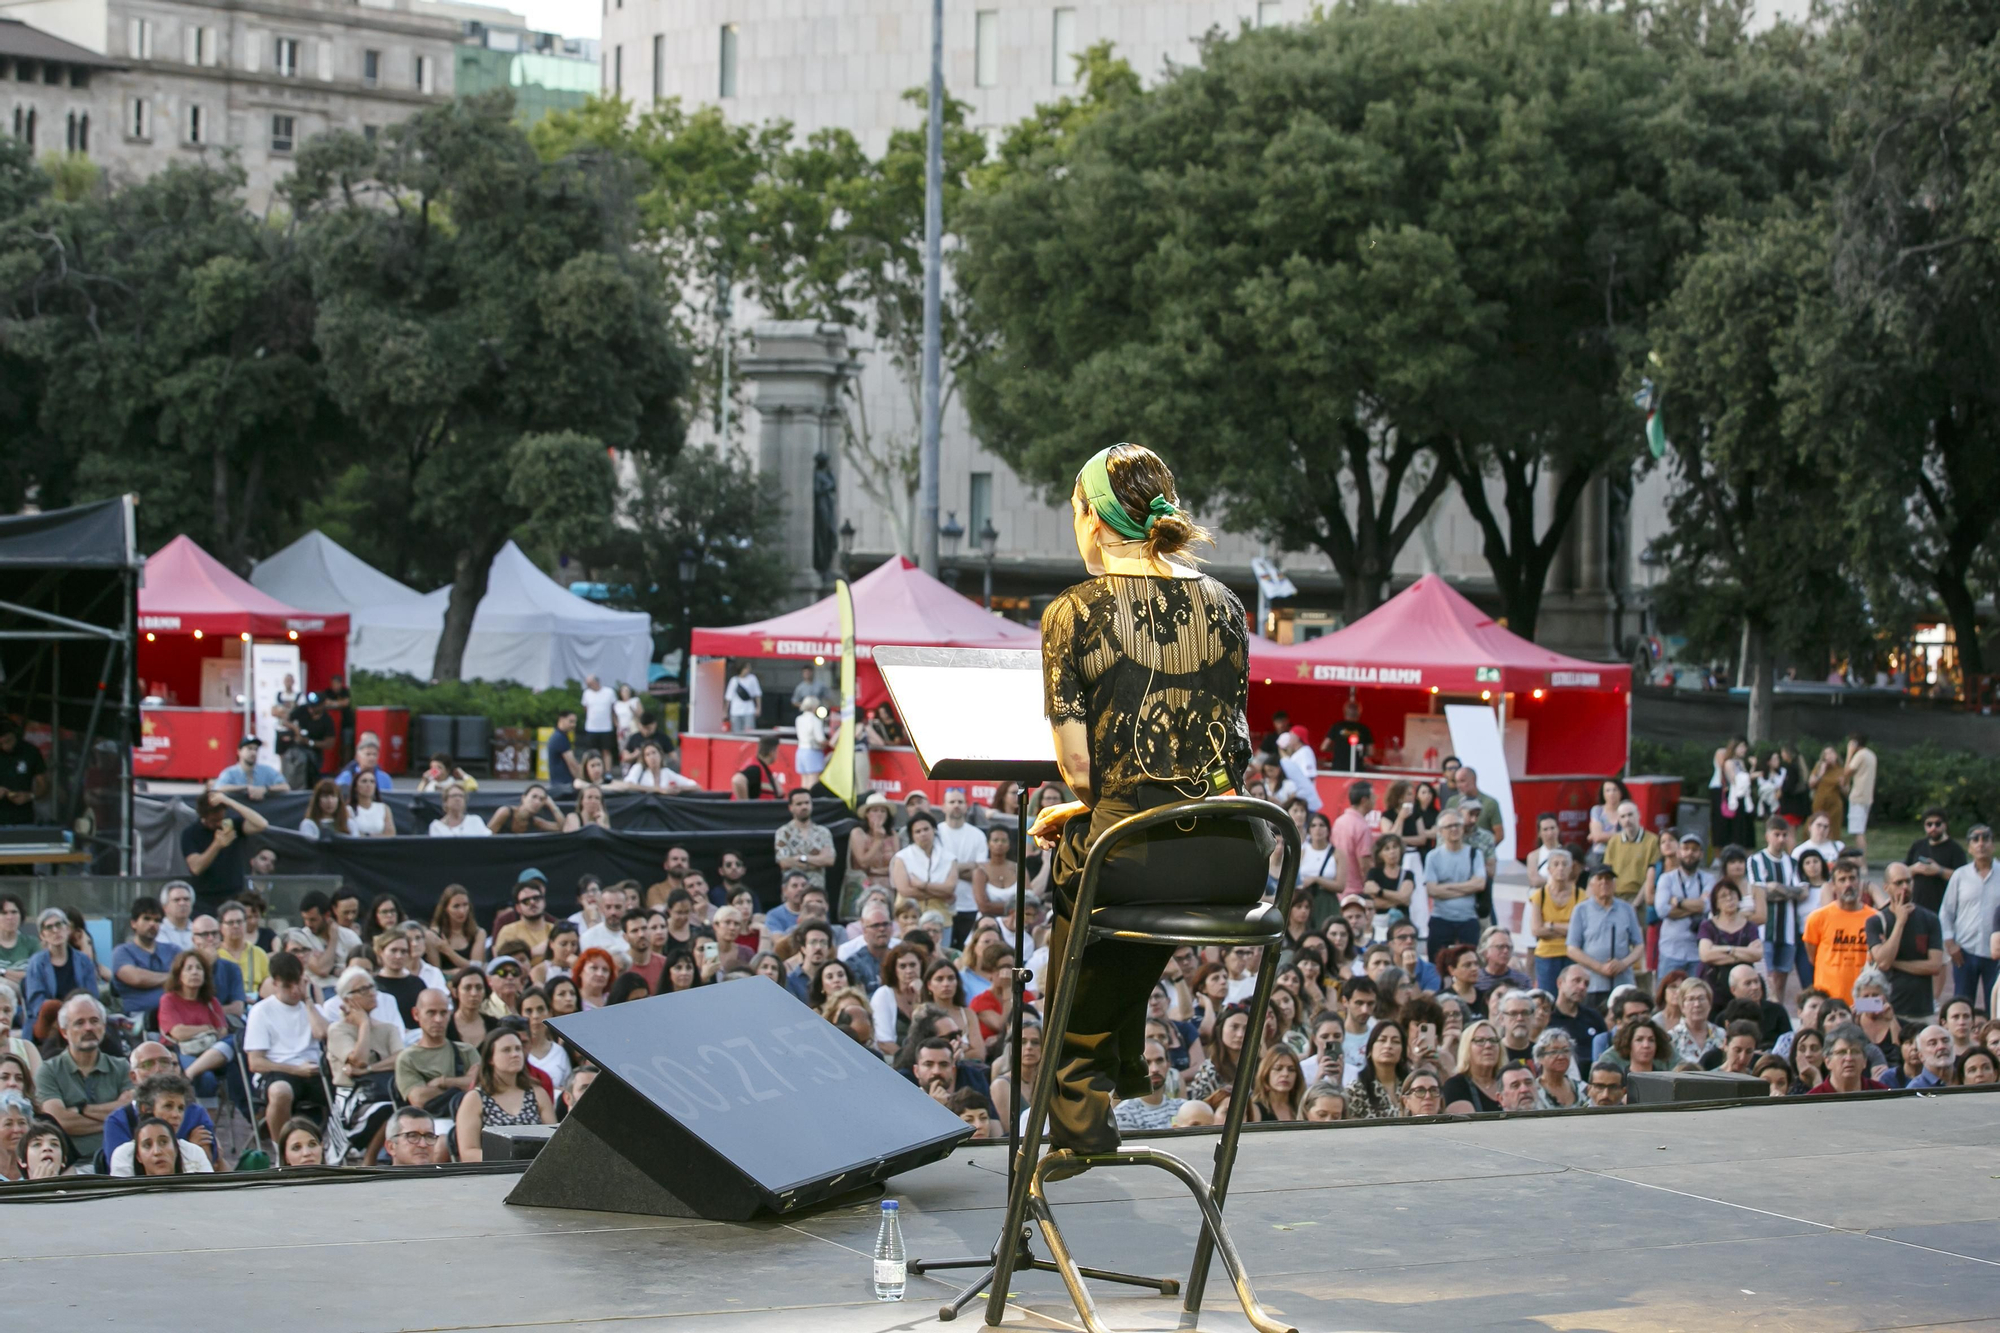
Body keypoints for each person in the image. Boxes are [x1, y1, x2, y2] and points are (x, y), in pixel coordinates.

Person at [34, 994, 131, 1161]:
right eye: (79, 1022)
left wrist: (81, 1110)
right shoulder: (48, 1071)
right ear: (64, 1032)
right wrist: (115, 1123)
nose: (88, 1028)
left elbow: (129, 1114)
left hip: (119, 1161)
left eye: (94, 1021)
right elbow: (59, 1121)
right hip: (71, 1164)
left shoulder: (122, 1067)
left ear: (103, 1026)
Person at [455, 1027, 555, 1160]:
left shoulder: (538, 1094)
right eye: (506, 1050)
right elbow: (468, 1152)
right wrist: (508, 1160)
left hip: (534, 1170)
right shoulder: (475, 1099)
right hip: (494, 1173)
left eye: (518, 1049)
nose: (515, 1054)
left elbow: (554, 1143)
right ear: (490, 1058)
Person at [1867, 861, 1946, 1024]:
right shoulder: (1875, 921)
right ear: (1886, 887)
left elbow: (1935, 966)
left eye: (1908, 881)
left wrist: (1897, 963)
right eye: (1898, 883)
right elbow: (1883, 962)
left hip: (1920, 1009)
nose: (1905, 887)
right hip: (1883, 1008)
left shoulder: (1930, 919)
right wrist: (1900, 922)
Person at [1803, 859, 1878, 1004]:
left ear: (1860, 883)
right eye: (1842, 880)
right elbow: (1812, 957)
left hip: (1866, 997)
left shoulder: (1875, 918)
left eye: (1852, 878)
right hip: (1829, 997)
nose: (1848, 884)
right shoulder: (1817, 918)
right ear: (1833, 886)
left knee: (1871, 1026)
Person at [1567, 866, 1645, 1003]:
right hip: (1592, 984)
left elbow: (1639, 945)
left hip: (1622, 983)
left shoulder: (1626, 909)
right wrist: (1600, 967)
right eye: (1600, 879)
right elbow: (1572, 949)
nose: (1604, 882)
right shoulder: (1581, 910)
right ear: (1592, 883)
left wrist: (1623, 964)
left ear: (1614, 884)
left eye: (1608, 879)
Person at [396, 988, 478, 1117]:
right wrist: (463, 1085)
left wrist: (443, 1082)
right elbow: (419, 1098)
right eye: (431, 1013)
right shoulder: (408, 1058)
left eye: (443, 1013)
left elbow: (483, 1086)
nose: (438, 1019)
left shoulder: (466, 1051)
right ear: (416, 1014)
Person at [1944, 825, 2000, 1008]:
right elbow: (1946, 912)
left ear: (1993, 844)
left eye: (1986, 839)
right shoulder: (1960, 876)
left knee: (1997, 1004)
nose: (1981, 844)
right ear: (1969, 847)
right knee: (1961, 1004)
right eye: (1975, 840)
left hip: (1996, 954)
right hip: (1964, 951)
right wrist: (1950, 943)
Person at [181, 787, 269, 899]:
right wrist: (217, 845)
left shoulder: (232, 825)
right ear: (204, 817)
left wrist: (229, 801)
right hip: (205, 896)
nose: (219, 824)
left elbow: (262, 824)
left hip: (235, 893)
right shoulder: (190, 833)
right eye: (214, 821)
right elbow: (196, 868)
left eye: (221, 819)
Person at [1423, 810, 1485, 960]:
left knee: (1470, 961)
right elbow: (1432, 890)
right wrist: (1466, 888)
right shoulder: (1433, 856)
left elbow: (1479, 884)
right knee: (1436, 963)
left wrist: (1447, 887)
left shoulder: (1475, 854)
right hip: (1441, 918)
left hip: (1468, 918)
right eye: (1449, 826)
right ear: (1440, 832)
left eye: (1457, 825)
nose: (1454, 829)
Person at [110, 896, 180, 1024]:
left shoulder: (173, 950)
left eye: (157, 920)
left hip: (176, 1014)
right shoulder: (122, 952)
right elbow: (137, 978)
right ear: (133, 923)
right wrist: (173, 977)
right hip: (139, 1020)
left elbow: (186, 977)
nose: (152, 924)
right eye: (146, 918)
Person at [933, 789, 991, 945]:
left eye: (960, 802)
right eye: (952, 802)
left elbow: (981, 872)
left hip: (970, 905)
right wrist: (967, 866)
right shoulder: (935, 833)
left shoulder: (977, 835)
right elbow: (934, 870)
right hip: (941, 905)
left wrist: (949, 869)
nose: (956, 805)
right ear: (943, 806)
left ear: (967, 806)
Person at [1655, 832, 1714, 980]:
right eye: (1686, 849)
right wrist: (1697, 905)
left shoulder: (1708, 879)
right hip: (1671, 950)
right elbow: (1662, 910)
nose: (1690, 853)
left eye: (1694, 850)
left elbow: (1708, 906)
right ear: (1679, 852)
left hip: (1698, 951)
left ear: (1701, 854)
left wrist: (1679, 902)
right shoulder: (1666, 879)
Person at [21, 906, 98, 1018]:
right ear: (42, 935)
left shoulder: (83, 960)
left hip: (80, 1014)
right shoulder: (37, 962)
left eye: (59, 924)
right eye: (49, 927)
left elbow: (93, 995)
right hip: (50, 1018)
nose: (55, 930)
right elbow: (36, 1003)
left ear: (67, 929)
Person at [1524, 850, 1580, 992]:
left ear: (1571, 868)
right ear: (1549, 869)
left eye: (1564, 864)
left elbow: (1580, 931)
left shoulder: (1581, 895)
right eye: (1556, 864)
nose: (1560, 868)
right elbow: (1536, 930)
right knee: (1547, 998)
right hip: (1546, 955)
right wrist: (1567, 928)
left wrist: (1551, 925)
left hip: (1572, 954)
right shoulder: (1539, 896)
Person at [1696, 878, 1762, 998]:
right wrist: (1743, 954)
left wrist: (1725, 950)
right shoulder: (1707, 926)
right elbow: (1705, 955)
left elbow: (1757, 954)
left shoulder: (1750, 926)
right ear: (1716, 903)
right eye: (1723, 896)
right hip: (1714, 985)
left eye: (1732, 894)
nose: (1729, 899)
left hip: (1744, 986)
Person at [774, 787, 836, 896]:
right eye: (799, 804)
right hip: (792, 895)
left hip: (817, 892)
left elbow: (829, 860)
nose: (804, 807)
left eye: (807, 803)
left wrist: (802, 858)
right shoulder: (783, 832)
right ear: (790, 807)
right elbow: (784, 862)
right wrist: (816, 862)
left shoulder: (823, 832)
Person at [1113, 1039, 1187, 1129]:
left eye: (1159, 1060)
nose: (1154, 1069)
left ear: (1168, 1065)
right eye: (1147, 1062)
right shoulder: (1123, 1114)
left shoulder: (1183, 1107)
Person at [1906, 808, 1968, 916]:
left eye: (1937, 824)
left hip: (1944, 908)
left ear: (1945, 825)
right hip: (1918, 906)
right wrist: (1915, 869)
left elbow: (1963, 878)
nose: (1933, 828)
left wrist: (1939, 871)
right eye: (1929, 824)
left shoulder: (1955, 849)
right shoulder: (1918, 846)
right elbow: (1902, 871)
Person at [1601, 802, 1661, 907]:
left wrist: (1635, 903)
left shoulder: (1652, 841)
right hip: (1616, 897)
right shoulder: (1614, 841)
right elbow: (1608, 873)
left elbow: (1652, 877)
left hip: (1641, 897)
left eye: (1630, 814)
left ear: (1639, 815)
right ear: (1618, 820)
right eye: (1623, 816)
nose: (1627, 820)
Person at [1808, 1021, 1887, 1094]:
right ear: (1827, 1061)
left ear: (1864, 1061)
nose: (1849, 1058)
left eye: (1855, 1052)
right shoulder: (1812, 1100)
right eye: (1842, 1052)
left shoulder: (1882, 1094)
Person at [1443, 1020, 1504, 1114]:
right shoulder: (1455, 1086)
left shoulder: (1509, 1082)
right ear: (1466, 1048)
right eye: (1480, 1040)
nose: (1488, 1045)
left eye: (1493, 1040)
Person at [493, 871, 555, 961]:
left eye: (536, 898)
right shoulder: (508, 931)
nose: (532, 903)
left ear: (544, 901)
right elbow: (502, 962)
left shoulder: (555, 930)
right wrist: (533, 952)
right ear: (518, 908)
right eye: (526, 901)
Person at [1331, 780, 1377, 897]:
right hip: (1356, 891)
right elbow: (1364, 864)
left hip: (1338, 887)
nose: (1375, 799)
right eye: (1373, 796)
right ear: (1364, 800)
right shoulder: (1362, 827)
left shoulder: (1339, 821)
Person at [0, 717, 49, 826]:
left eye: (8, 741)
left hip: (23, 817)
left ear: (15, 734)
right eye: (0, 744)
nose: (5, 747)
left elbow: (43, 784)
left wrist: (30, 796)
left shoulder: (31, 752)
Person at [214, 735, 289, 801]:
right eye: (249, 749)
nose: (253, 753)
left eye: (256, 749)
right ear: (239, 751)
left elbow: (285, 787)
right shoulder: (229, 773)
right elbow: (218, 789)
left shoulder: (267, 771)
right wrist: (246, 788)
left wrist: (265, 789)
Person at [1843, 733, 1877, 864]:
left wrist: (1849, 753)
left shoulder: (1859, 755)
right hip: (1867, 796)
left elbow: (1847, 771)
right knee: (1860, 830)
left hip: (1858, 796)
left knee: (1858, 831)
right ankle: (1862, 862)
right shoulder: (1871, 754)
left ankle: (1861, 863)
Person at [428, 783, 492, 837]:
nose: (458, 799)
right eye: (454, 796)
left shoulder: (475, 820)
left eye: (461, 796)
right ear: (445, 802)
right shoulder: (436, 826)